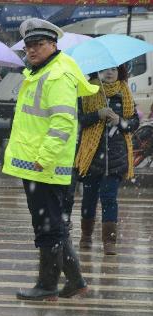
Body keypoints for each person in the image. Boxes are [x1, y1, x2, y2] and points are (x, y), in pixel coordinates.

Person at [2, 18, 99, 301]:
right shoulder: (39, 72)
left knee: (50, 227)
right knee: (50, 226)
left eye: (39, 45)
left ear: (53, 45)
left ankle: (56, 284)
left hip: (45, 165)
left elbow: (63, 123)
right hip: (37, 166)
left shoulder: (57, 75)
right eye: (29, 46)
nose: (32, 50)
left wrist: (43, 157)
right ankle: (64, 284)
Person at [75, 65, 140, 255]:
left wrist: (119, 121)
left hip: (116, 156)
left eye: (113, 69)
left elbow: (133, 123)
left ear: (120, 72)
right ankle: (86, 235)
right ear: (97, 72)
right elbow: (79, 119)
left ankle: (109, 241)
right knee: (89, 198)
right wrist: (98, 114)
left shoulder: (124, 92)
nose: (109, 73)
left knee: (109, 198)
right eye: (105, 70)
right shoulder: (88, 91)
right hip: (91, 155)